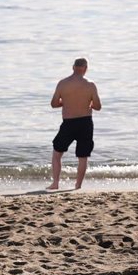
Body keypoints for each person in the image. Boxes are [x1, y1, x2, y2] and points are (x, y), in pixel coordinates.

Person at [47, 58, 102, 190]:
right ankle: (78, 185)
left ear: (73, 67)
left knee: (57, 153)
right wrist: (88, 103)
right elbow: (98, 106)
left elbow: (54, 104)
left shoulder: (63, 83)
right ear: (86, 68)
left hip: (68, 123)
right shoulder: (90, 85)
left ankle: (55, 184)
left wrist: (66, 102)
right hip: (85, 123)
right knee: (82, 156)